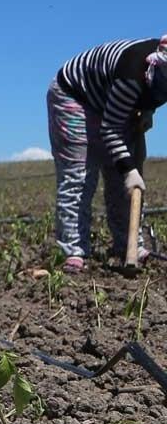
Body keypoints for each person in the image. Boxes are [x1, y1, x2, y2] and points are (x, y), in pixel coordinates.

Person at [47, 35, 167, 272]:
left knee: (119, 177)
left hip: (114, 100)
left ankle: (130, 246)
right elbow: (110, 129)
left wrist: (147, 110)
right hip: (74, 96)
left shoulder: (158, 76)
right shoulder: (133, 75)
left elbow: (151, 94)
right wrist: (130, 170)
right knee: (80, 176)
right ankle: (74, 251)